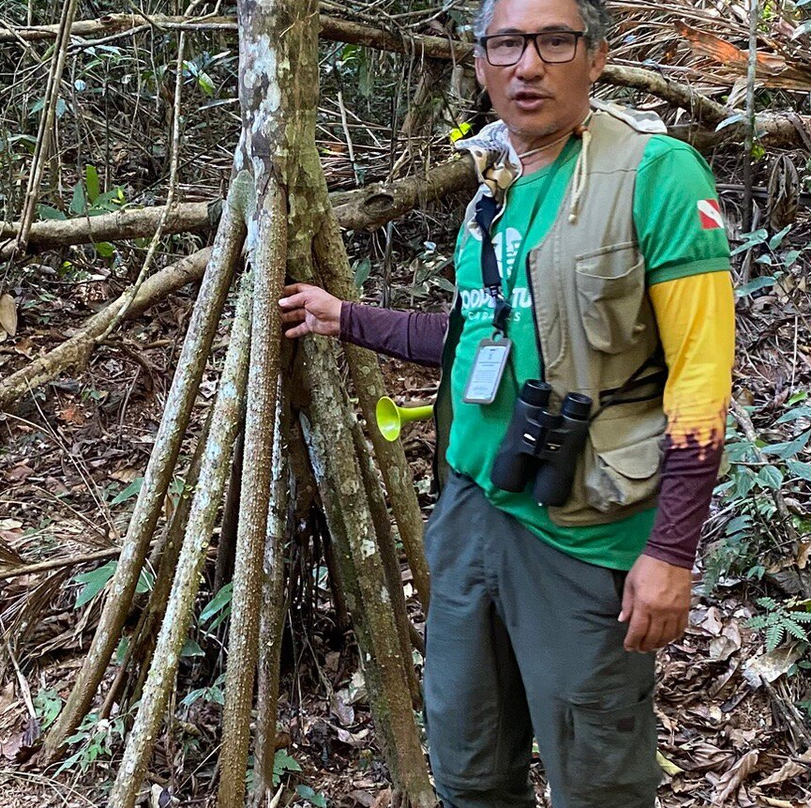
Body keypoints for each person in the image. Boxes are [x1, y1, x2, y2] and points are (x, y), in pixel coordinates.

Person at [279, 0, 735, 805]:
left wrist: (670, 554)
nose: (530, 65)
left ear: (594, 57)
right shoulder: (492, 184)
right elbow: (473, 339)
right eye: (508, 44)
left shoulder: (657, 174)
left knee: (597, 779)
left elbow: (701, 378)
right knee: (469, 764)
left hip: (585, 529)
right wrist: (343, 317)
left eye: (555, 41)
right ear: (480, 61)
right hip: (472, 510)